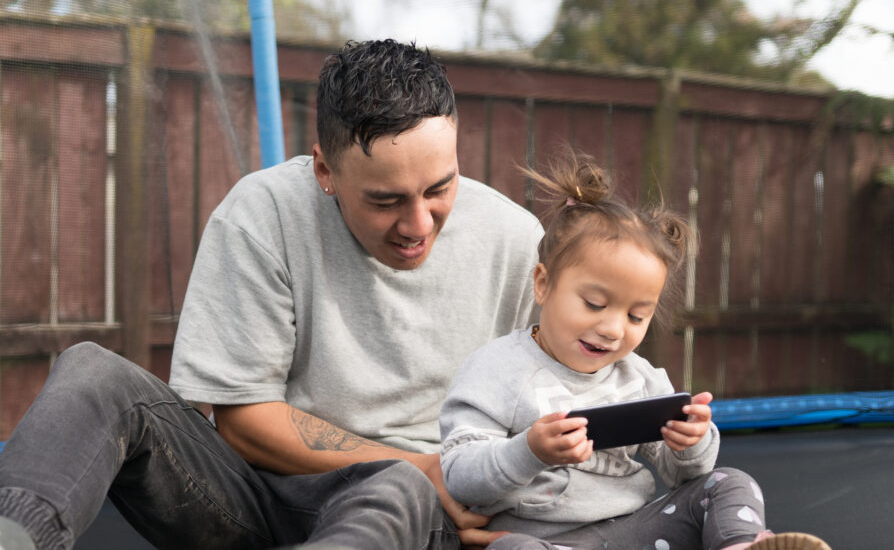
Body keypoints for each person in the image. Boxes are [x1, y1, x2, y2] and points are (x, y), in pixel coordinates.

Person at [0, 39, 544, 550]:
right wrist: (415, 464)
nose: (418, 223)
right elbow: (244, 423)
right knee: (93, 372)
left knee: (396, 488)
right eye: (385, 200)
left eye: (439, 188)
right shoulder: (262, 214)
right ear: (325, 171)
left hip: (415, 510)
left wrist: (447, 479)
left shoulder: (519, 246)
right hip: (257, 498)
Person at [439, 151, 831, 550]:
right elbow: (458, 474)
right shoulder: (497, 369)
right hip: (546, 542)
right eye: (594, 304)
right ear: (543, 283)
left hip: (635, 533)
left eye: (636, 316)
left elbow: (684, 475)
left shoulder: (638, 377)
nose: (612, 329)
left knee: (728, 482)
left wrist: (690, 441)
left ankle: (738, 547)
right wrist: (530, 451)